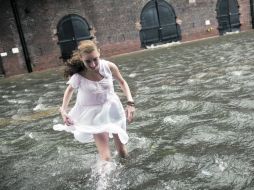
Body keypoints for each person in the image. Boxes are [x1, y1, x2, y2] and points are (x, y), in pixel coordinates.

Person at [53, 40, 135, 161]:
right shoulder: (79, 76)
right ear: (81, 58)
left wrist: (130, 103)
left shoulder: (109, 66)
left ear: (99, 53)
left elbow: (122, 82)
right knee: (106, 157)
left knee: (122, 151)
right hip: (95, 115)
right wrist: (64, 111)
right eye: (87, 61)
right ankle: (104, 179)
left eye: (95, 59)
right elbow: (69, 91)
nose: (92, 64)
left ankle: (127, 170)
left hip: (113, 110)